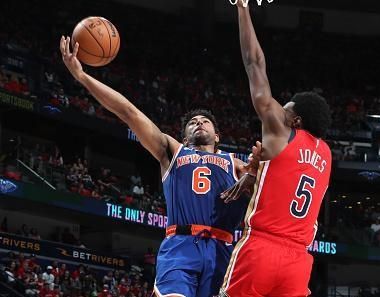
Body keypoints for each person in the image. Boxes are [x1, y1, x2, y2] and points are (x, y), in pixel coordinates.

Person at [59, 36, 255, 297]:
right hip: (181, 246)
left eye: (205, 121)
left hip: (222, 250)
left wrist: (254, 174)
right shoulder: (172, 151)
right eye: (193, 121)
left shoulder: (238, 164)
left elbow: (272, 191)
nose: (199, 123)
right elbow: (129, 112)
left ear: (217, 136)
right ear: (184, 137)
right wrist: (82, 77)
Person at [219, 3, 332, 297]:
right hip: (298, 261)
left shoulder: (283, 131)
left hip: (262, 248)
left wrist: (243, 8)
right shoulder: (327, 155)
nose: (278, 108)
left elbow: (254, 63)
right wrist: (255, 174)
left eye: (286, 108)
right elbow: (288, 184)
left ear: (295, 120)